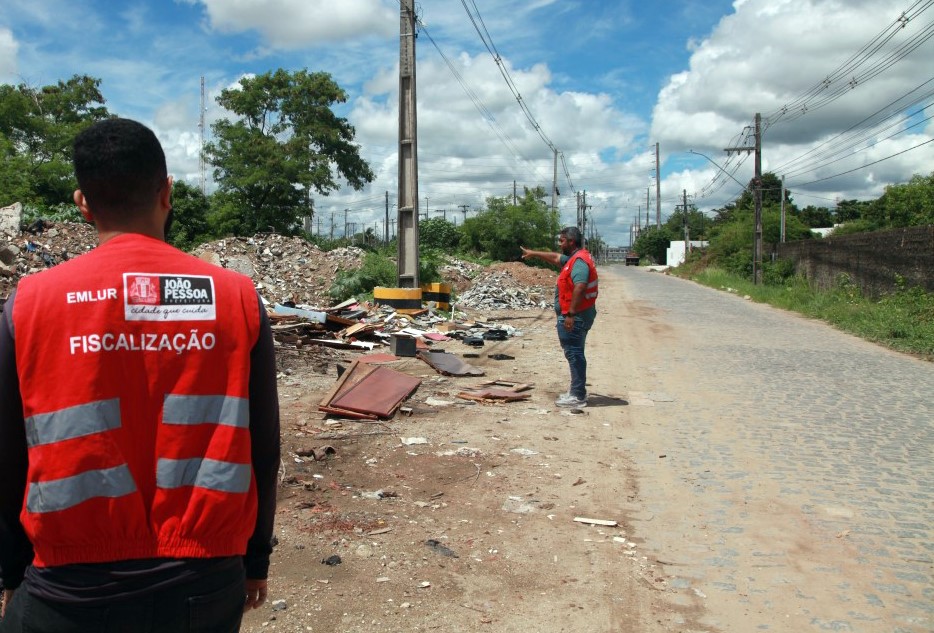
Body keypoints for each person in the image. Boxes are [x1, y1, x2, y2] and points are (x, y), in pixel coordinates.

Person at [0, 118, 280, 633]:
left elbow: (8, 450)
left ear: (82, 203)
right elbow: (262, 444)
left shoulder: (30, 304)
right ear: (167, 191)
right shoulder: (236, 298)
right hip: (204, 577)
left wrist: (9, 569)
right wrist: (255, 557)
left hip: (68, 586)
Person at [520, 226, 598, 408]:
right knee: (574, 352)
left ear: (571, 241)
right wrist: (533, 253)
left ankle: (578, 395)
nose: (559, 244)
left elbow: (580, 286)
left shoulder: (578, 262)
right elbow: (555, 257)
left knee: (574, 353)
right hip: (579, 314)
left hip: (575, 316)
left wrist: (570, 314)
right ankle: (577, 391)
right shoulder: (575, 258)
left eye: (562, 240)